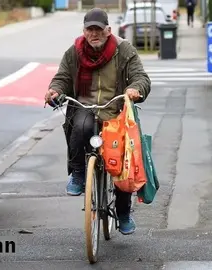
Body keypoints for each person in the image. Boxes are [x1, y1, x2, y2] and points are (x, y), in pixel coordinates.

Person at [45, 8, 151, 235]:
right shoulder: (74, 52)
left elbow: (140, 77)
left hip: (115, 110)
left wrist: (134, 89)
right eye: (89, 30)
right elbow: (62, 77)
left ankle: (123, 213)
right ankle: (78, 173)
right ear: (84, 31)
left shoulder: (124, 50)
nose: (94, 34)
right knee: (80, 126)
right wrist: (54, 90)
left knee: (121, 162)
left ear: (108, 30)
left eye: (98, 30)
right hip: (85, 107)